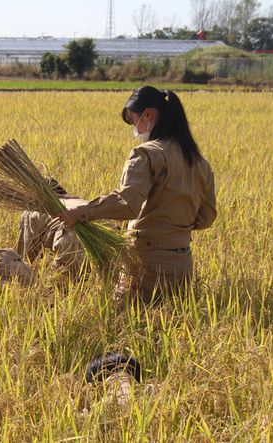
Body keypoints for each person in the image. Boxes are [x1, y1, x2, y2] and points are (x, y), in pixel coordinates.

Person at [56, 86, 217, 305]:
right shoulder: (200, 163)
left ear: (148, 115)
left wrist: (81, 212)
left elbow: (127, 204)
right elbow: (206, 218)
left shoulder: (147, 154)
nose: (135, 130)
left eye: (134, 122)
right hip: (182, 265)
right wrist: (173, 226)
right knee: (170, 328)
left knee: (124, 324)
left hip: (147, 264)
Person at [16, 178, 86, 276]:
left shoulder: (33, 212)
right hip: (105, 240)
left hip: (70, 245)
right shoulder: (82, 203)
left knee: (63, 284)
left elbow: (26, 256)